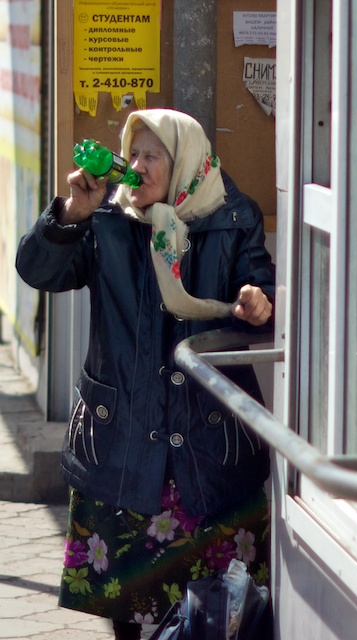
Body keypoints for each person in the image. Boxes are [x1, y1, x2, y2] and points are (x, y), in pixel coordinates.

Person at [16, 108, 275, 640]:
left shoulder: (232, 216)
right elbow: (37, 270)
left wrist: (256, 300)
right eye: (131, 154)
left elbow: (259, 288)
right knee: (130, 613)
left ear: (182, 163)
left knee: (217, 613)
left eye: (150, 156)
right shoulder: (108, 221)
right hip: (125, 449)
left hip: (207, 451)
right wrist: (71, 214)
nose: (135, 166)